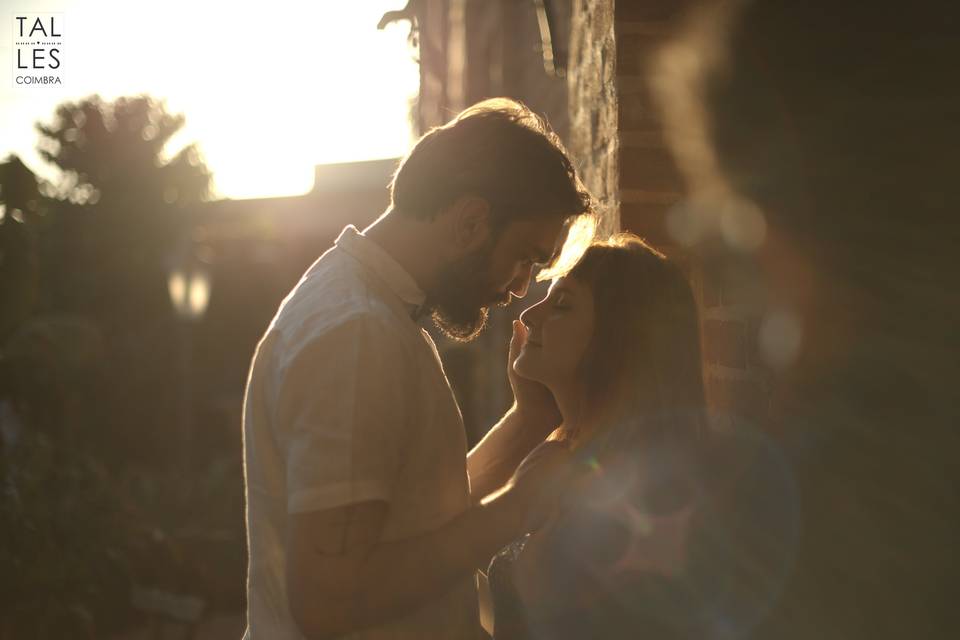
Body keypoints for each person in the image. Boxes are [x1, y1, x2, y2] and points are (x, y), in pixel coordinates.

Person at [241, 98, 593, 639]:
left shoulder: (371, 312)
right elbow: (328, 600)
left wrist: (527, 420)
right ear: (471, 220)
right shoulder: (356, 333)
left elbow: (409, 520)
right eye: (526, 255)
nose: (522, 288)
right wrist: (516, 510)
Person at [485, 233, 713, 639]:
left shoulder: (637, 490)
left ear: (621, 338)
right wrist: (527, 415)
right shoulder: (563, 451)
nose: (530, 317)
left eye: (562, 306)